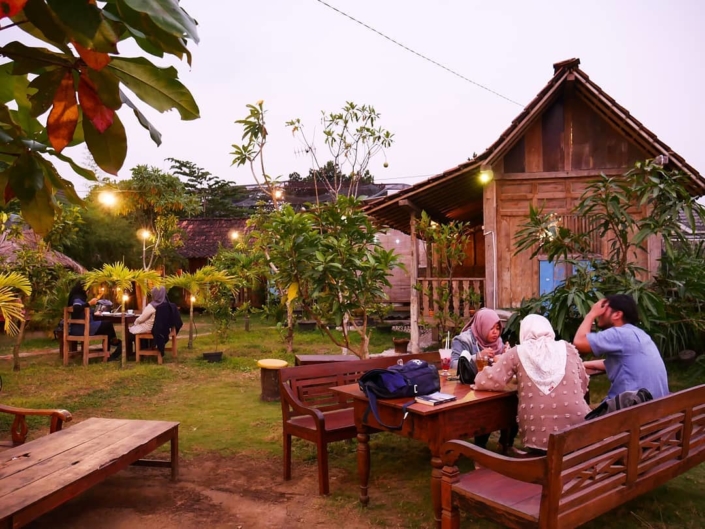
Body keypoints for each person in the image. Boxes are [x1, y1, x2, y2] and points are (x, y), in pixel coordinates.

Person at [474, 314, 592, 453]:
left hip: (538, 438)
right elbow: (583, 384)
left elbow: (489, 381)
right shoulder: (567, 348)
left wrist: (482, 370)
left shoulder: (517, 352)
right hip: (580, 431)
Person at [573, 294, 669, 401]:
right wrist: (584, 364)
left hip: (630, 411)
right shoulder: (639, 334)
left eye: (604, 308)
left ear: (617, 314)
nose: (599, 312)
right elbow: (625, 363)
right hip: (655, 408)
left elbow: (579, 342)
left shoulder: (619, 334)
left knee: (576, 415)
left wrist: (591, 314)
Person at [450, 308, 511, 450]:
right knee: (485, 409)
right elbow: (453, 364)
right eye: (492, 328)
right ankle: (480, 447)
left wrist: (507, 355)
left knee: (510, 403)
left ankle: (505, 443)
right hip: (465, 388)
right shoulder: (464, 339)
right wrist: (477, 357)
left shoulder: (498, 342)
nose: (496, 332)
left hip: (488, 386)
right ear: (482, 326)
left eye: (498, 328)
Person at [66, 281, 121, 360]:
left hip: (75, 329)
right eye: (88, 290)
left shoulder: (75, 297)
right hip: (83, 329)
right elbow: (77, 308)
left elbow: (83, 311)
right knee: (108, 324)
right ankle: (112, 344)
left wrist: (94, 312)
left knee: (106, 328)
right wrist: (89, 303)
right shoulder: (78, 298)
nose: (88, 292)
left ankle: (109, 348)